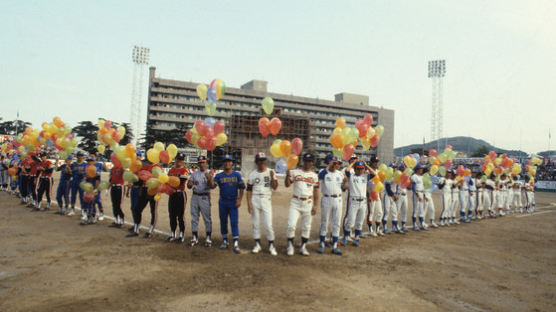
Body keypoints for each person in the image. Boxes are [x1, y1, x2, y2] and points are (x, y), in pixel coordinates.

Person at [284, 153, 319, 256]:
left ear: (312, 162)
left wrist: (315, 206)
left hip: (308, 203)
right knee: (291, 225)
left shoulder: (314, 175)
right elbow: (287, 185)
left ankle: (303, 247)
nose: (307, 163)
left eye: (310, 161)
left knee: (306, 227)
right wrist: (287, 175)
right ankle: (290, 245)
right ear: (303, 161)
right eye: (306, 160)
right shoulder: (295, 172)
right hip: (296, 202)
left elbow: (316, 192)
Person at [212, 154, 245, 254]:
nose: (227, 163)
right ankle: (225, 240)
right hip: (223, 201)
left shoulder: (237, 175)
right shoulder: (219, 175)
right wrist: (209, 178)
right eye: (225, 161)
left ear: (232, 163)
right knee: (223, 221)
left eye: (229, 161)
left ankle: (235, 243)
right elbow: (212, 186)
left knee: (234, 222)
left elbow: (242, 187)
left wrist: (239, 199)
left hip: (233, 201)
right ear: (223, 163)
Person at [246, 152, 278, 256]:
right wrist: (249, 204)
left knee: (268, 224)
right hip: (255, 198)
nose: (262, 162)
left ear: (265, 161)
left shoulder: (270, 172)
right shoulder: (252, 174)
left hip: (266, 199)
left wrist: (273, 178)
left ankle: (271, 245)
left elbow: (275, 187)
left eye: (263, 160)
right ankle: (257, 245)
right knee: (255, 224)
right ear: (256, 162)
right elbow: (249, 190)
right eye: (259, 160)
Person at [317, 155, 345, 255]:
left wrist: (345, 182)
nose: (335, 164)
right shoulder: (323, 171)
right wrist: (329, 166)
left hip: (338, 199)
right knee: (325, 222)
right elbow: (319, 178)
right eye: (333, 162)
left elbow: (343, 186)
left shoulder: (340, 174)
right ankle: (322, 244)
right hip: (326, 198)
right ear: (328, 163)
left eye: (336, 163)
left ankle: (334, 245)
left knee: (336, 223)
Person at [342, 159, 374, 246]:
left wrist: (366, 165)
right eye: (358, 168)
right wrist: (352, 163)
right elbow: (347, 170)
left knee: (359, 222)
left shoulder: (365, 176)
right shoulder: (352, 176)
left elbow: (374, 173)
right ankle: (345, 237)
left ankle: (356, 238)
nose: (360, 170)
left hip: (363, 202)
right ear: (355, 169)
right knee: (350, 221)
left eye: (361, 168)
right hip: (354, 201)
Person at [130, 155, 162, 238]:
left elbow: (160, 180)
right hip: (144, 190)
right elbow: (140, 179)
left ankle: (150, 231)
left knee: (153, 211)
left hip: (153, 190)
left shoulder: (157, 167)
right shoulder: (144, 166)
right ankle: (136, 229)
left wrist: (158, 191)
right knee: (137, 209)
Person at [187, 155, 214, 247]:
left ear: (206, 163)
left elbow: (212, 186)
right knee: (194, 218)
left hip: (205, 197)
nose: (202, 164)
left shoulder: (209, 173)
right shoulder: (195, 174)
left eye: (203, 162)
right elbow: (189, 186)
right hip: (195, 196)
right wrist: (189, 184)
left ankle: (208, 237)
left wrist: (209, 178)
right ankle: (194, 237)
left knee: (207, 218)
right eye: (200, 163)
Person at [166, 153, 189, 242]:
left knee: (180, 215)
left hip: (180, 194)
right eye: (178, 159)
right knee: (172, 215)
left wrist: (173, 179)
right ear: (175, 159)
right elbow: (167, 182)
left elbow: (182, 181)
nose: (179, 161)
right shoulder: (171, 170)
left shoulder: (184, 170)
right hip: (172, 194)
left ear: (183, 161)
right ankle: (173, 234)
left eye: (181, 159)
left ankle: (181, 235)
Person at [126, 151, 144, 235]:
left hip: (138, 189)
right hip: (133, 189)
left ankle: (137, 226)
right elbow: (130, 179)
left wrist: (140, 190)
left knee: (137, 208)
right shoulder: (133, 168)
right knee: (133, 208)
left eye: (139, 156)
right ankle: (135, 224)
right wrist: (128, 190)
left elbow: (142, 180)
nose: (138, 157)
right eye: (137, 155)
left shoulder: (142, 168)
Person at [81, 157, 100, 225]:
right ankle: (87, 217)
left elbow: (97, 179)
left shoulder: (95, 169)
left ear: (93, 162)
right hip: (87, 188)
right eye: (88, 161)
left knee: (92, 204)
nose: (89, 162)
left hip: (92, 188)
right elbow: (84, 179)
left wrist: (95, 189)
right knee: (86, 203)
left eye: (90, 161)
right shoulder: (85, 169)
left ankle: (93, 218)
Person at [366, 157, 382, 237]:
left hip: (377, 193)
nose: (376, 163)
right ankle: (370, 230)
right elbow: (367, 185)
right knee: (371, 212)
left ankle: (377, 229)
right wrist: (368, 195)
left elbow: (380, 185)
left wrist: (380, 195)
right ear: (371, 162)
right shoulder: (368, 172)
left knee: (380, 212)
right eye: (375, 162)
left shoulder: (378, 171)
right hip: (371, 193)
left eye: (377, 161)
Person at [108, 161, 126, 228]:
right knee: (114, 204)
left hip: (120, 187)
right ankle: (115, 220)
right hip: (113, 187)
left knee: (119, 205)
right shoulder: (112, 169)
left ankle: (121, 221)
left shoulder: (122, 168)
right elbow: (110, 179)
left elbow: (126, 174)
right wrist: (108, 188)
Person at [382, 163, 398, 234]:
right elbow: (388, 188)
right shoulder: (387, 176)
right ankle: (384, 228)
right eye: (393, 167)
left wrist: (395, 194)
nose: (394, 169)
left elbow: (396, 187)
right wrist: (393, 195)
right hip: (387, 195)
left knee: (394, 211)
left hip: (393, 195)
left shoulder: (396, 176)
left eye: (395, 167)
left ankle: (395, 227)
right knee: (386, 211)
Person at [70, 151, 87, 217]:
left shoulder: (85, 164)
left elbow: (87, 173)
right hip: (74, 181)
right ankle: (72, 209)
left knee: (82, 196)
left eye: (81, 156)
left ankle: (83, 210)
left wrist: (85, 178)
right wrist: (69, 171)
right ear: (77, 156)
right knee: (73, 195)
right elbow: (71, 173)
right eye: (79, 156)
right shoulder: (73, 164)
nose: (80, 157)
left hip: (81, 182)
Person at [91, 153, 107, 220]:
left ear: (96, 157)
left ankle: (101, 212)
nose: (91, 157)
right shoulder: (88, 165)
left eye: (93, 156)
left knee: (97, 199)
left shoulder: (99, 164)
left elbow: (106, 170)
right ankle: (93, 214)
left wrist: (104, 162)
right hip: (90, 185)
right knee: (91, 200)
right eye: (90, 156)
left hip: (97, 184)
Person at [410, 164, 426, 231]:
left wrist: (424, 196)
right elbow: (413, 187)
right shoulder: (414, 176)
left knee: (421, 210)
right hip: (416, 194)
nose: (421, 170)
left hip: (421, 193)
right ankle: (414, 224)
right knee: (415, 209)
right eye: (420, 168)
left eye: (422, 168)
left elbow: (422, 187)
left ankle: (422, 224)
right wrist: (418, 195)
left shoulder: (422, 177)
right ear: (417, 169)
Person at [396, 165, 409, 233]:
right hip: (399, 195)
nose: (403, 171)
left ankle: (403, 225)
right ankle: (395, 226)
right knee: (397, 210)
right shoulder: (397, 177)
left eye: (403, 169)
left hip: (405, 195)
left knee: (405, 210)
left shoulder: (406, 177)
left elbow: (409, 187)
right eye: (401, 169)